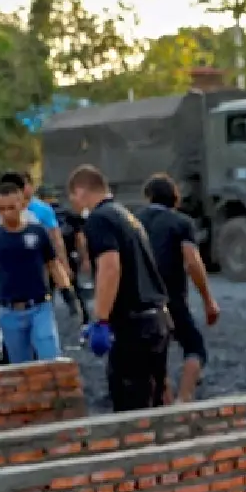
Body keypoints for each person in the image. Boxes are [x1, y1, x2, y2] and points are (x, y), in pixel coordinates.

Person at [68, 166, 173, 411]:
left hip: (134, 326)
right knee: (155, 403)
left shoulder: (99, 219)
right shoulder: (126, 216)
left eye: (72, 196)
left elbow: (110, 267)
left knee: (131, 407)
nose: (72, 203)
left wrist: (101, 320)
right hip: (157, 320)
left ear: (81, 191)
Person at [0, 181, 81, 363]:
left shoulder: (38, 232)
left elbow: (53, 265)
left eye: (11, 207)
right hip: (9, 310)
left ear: (22, 204)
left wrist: (68, 294)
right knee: (21, 367)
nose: (6, 213)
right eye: (1, 209)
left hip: (40, 307)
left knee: (50, 357)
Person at [137, 174, 220, 404]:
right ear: (175, 198)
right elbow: (192, 262)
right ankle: (184, 399)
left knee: (154, 354)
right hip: (172, 297)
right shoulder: (181, 222)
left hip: (141, 299)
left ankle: (164, 403)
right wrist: (208, 300)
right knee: (194, 347)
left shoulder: (134, 222)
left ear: (148, 197)